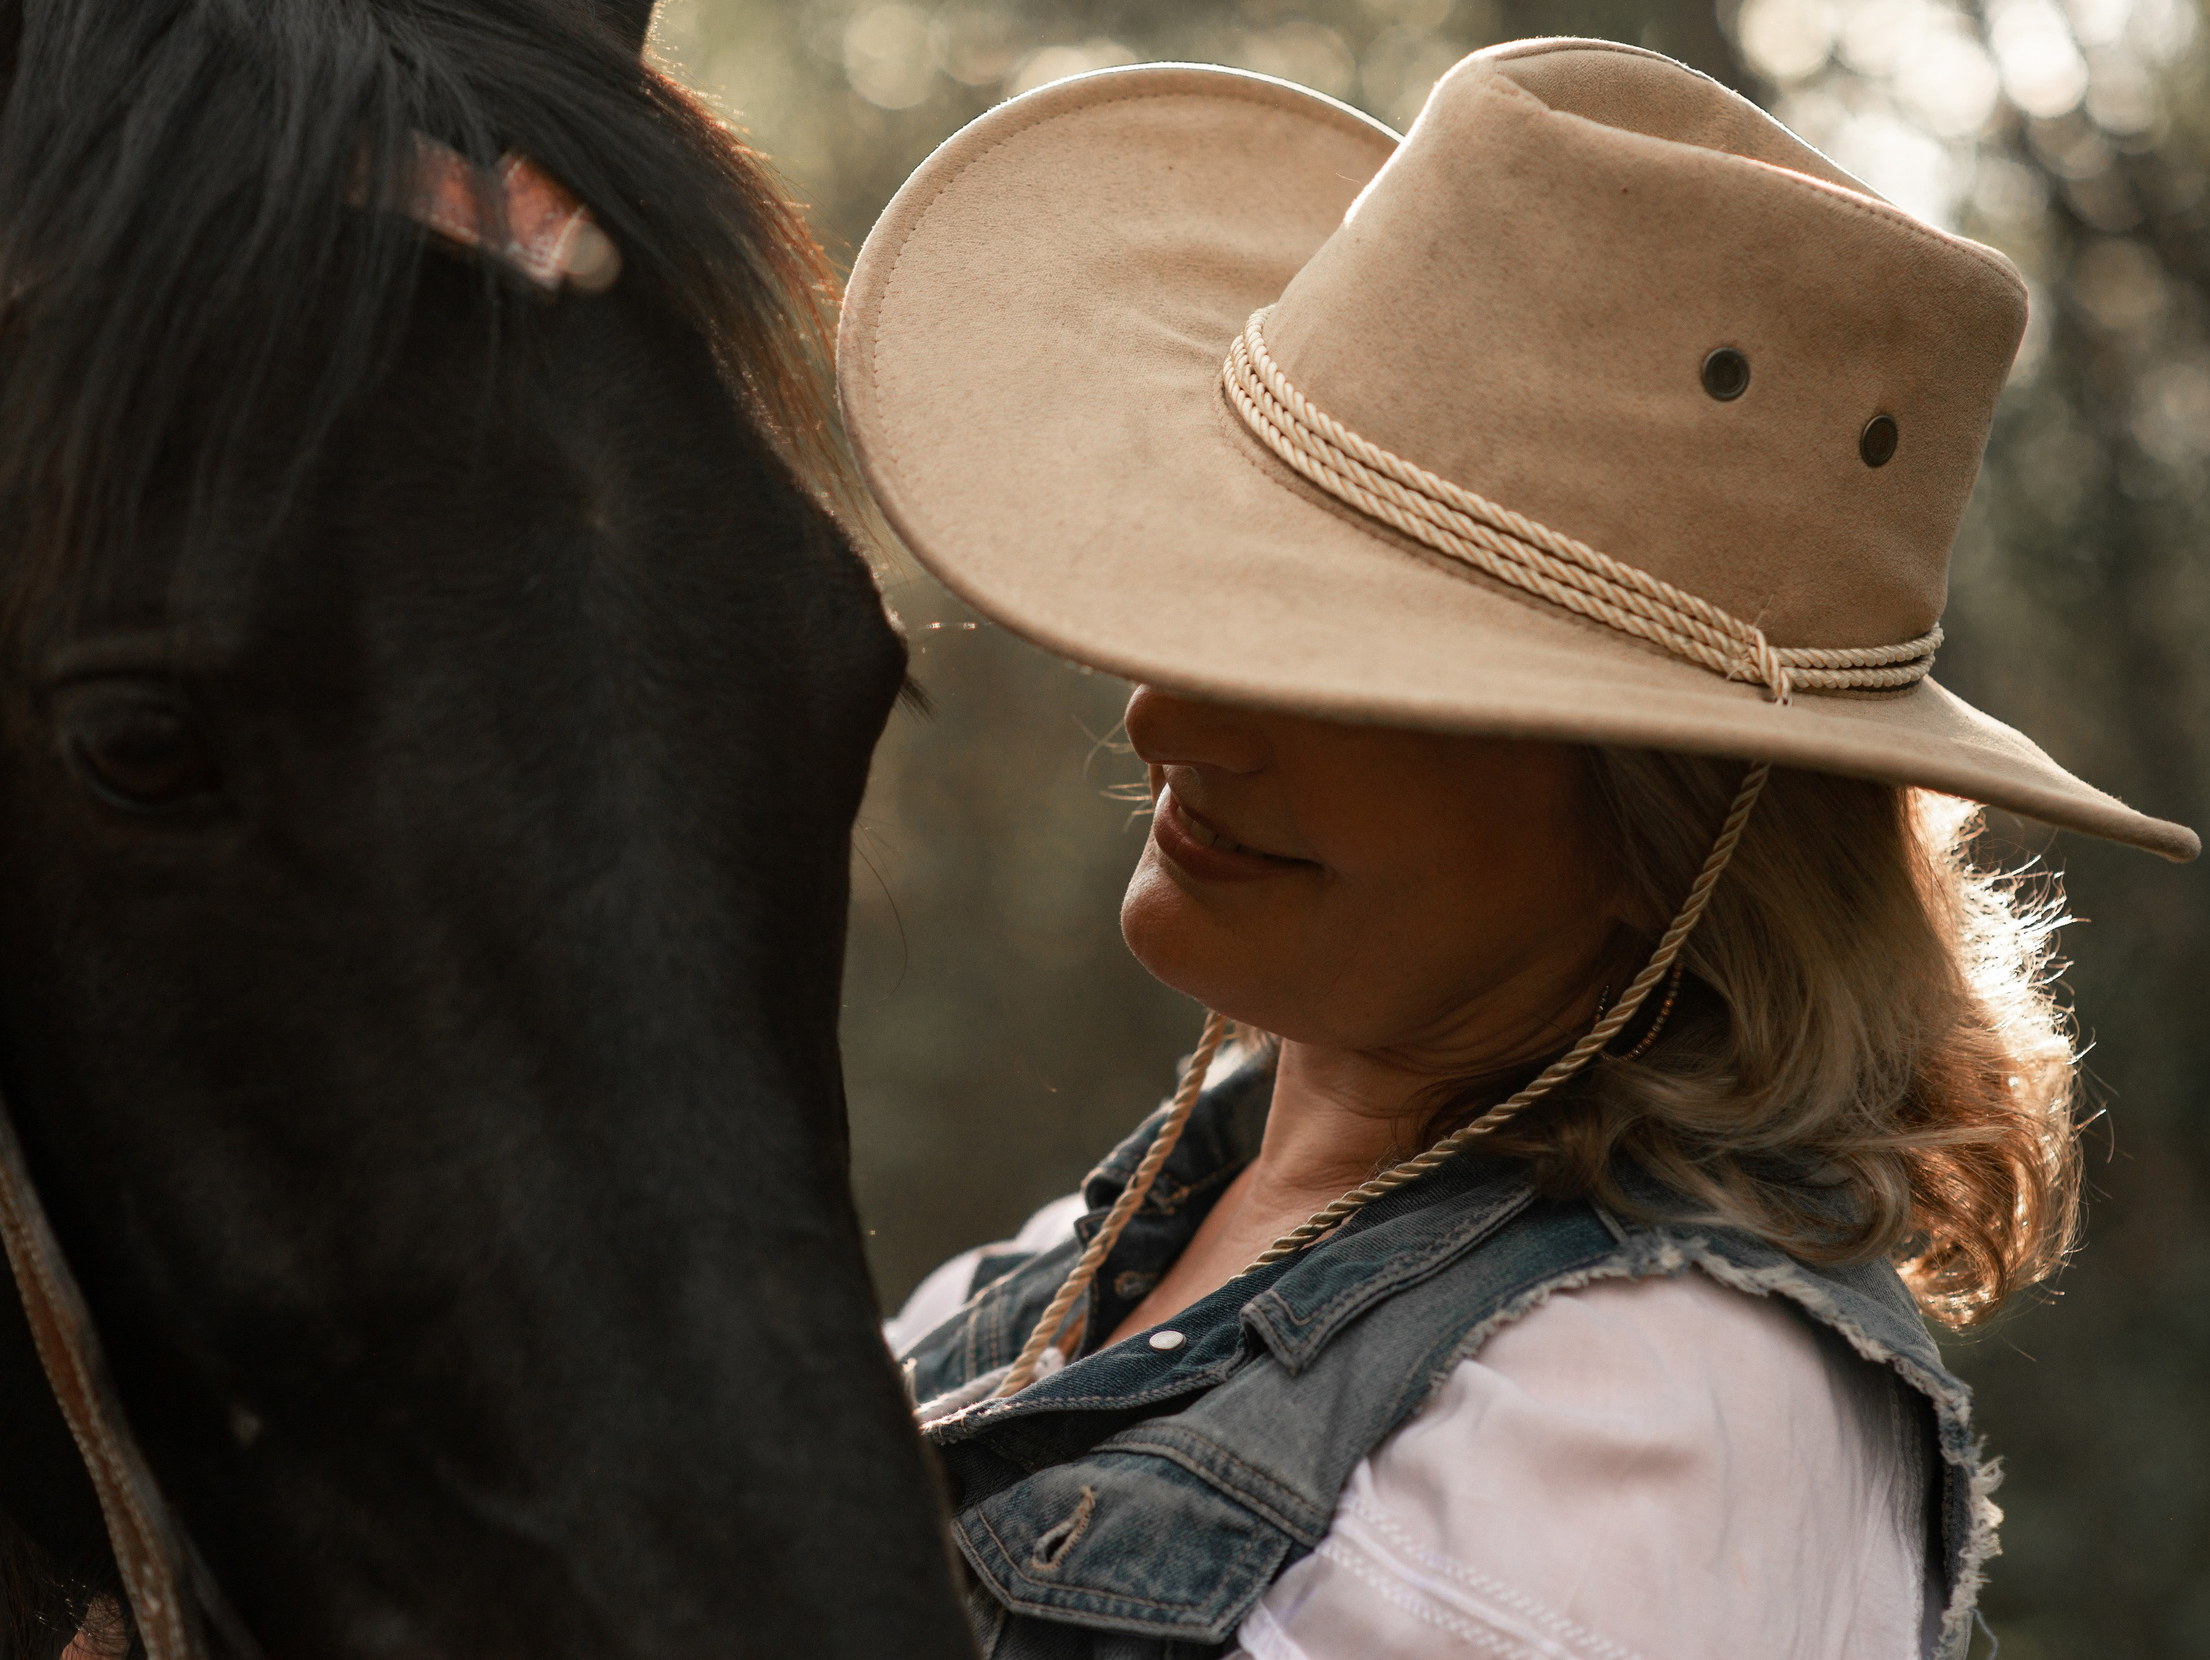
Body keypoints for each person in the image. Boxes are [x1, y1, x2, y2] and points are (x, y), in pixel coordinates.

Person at [838, 37, 2199, 1660]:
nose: (1166, 721)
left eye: (1334, 668)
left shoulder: (1664, 1414)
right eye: (1212, 599)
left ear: (1664, 827)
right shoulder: (1123, 1235)